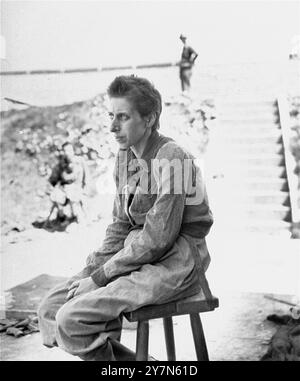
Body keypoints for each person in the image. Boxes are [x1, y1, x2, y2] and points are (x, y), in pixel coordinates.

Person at [38, 75, 213, 361]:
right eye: (111, 116)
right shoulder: (125, 156)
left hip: (176, 261)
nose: (112, 127)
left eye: (123, 117)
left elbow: (159, 237)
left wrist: (101, 278)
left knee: (71, 318)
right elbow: (120, 225)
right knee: (50, 308)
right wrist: (93, 269)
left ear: (149, 118)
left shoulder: (173, 158)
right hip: (135, 253)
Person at [46, 142, 88, 224]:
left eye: (69, 150)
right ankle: (62, 217)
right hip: (65, 189)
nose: (67, 152)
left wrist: (85, 189)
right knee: (56, 195)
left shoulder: (80, 161)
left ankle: (80, 218)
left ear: (73, 150)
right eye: (65, 150)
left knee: (75, 198)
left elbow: (87, 176)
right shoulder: (61, 164)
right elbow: (53, 180)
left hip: (78, 188)